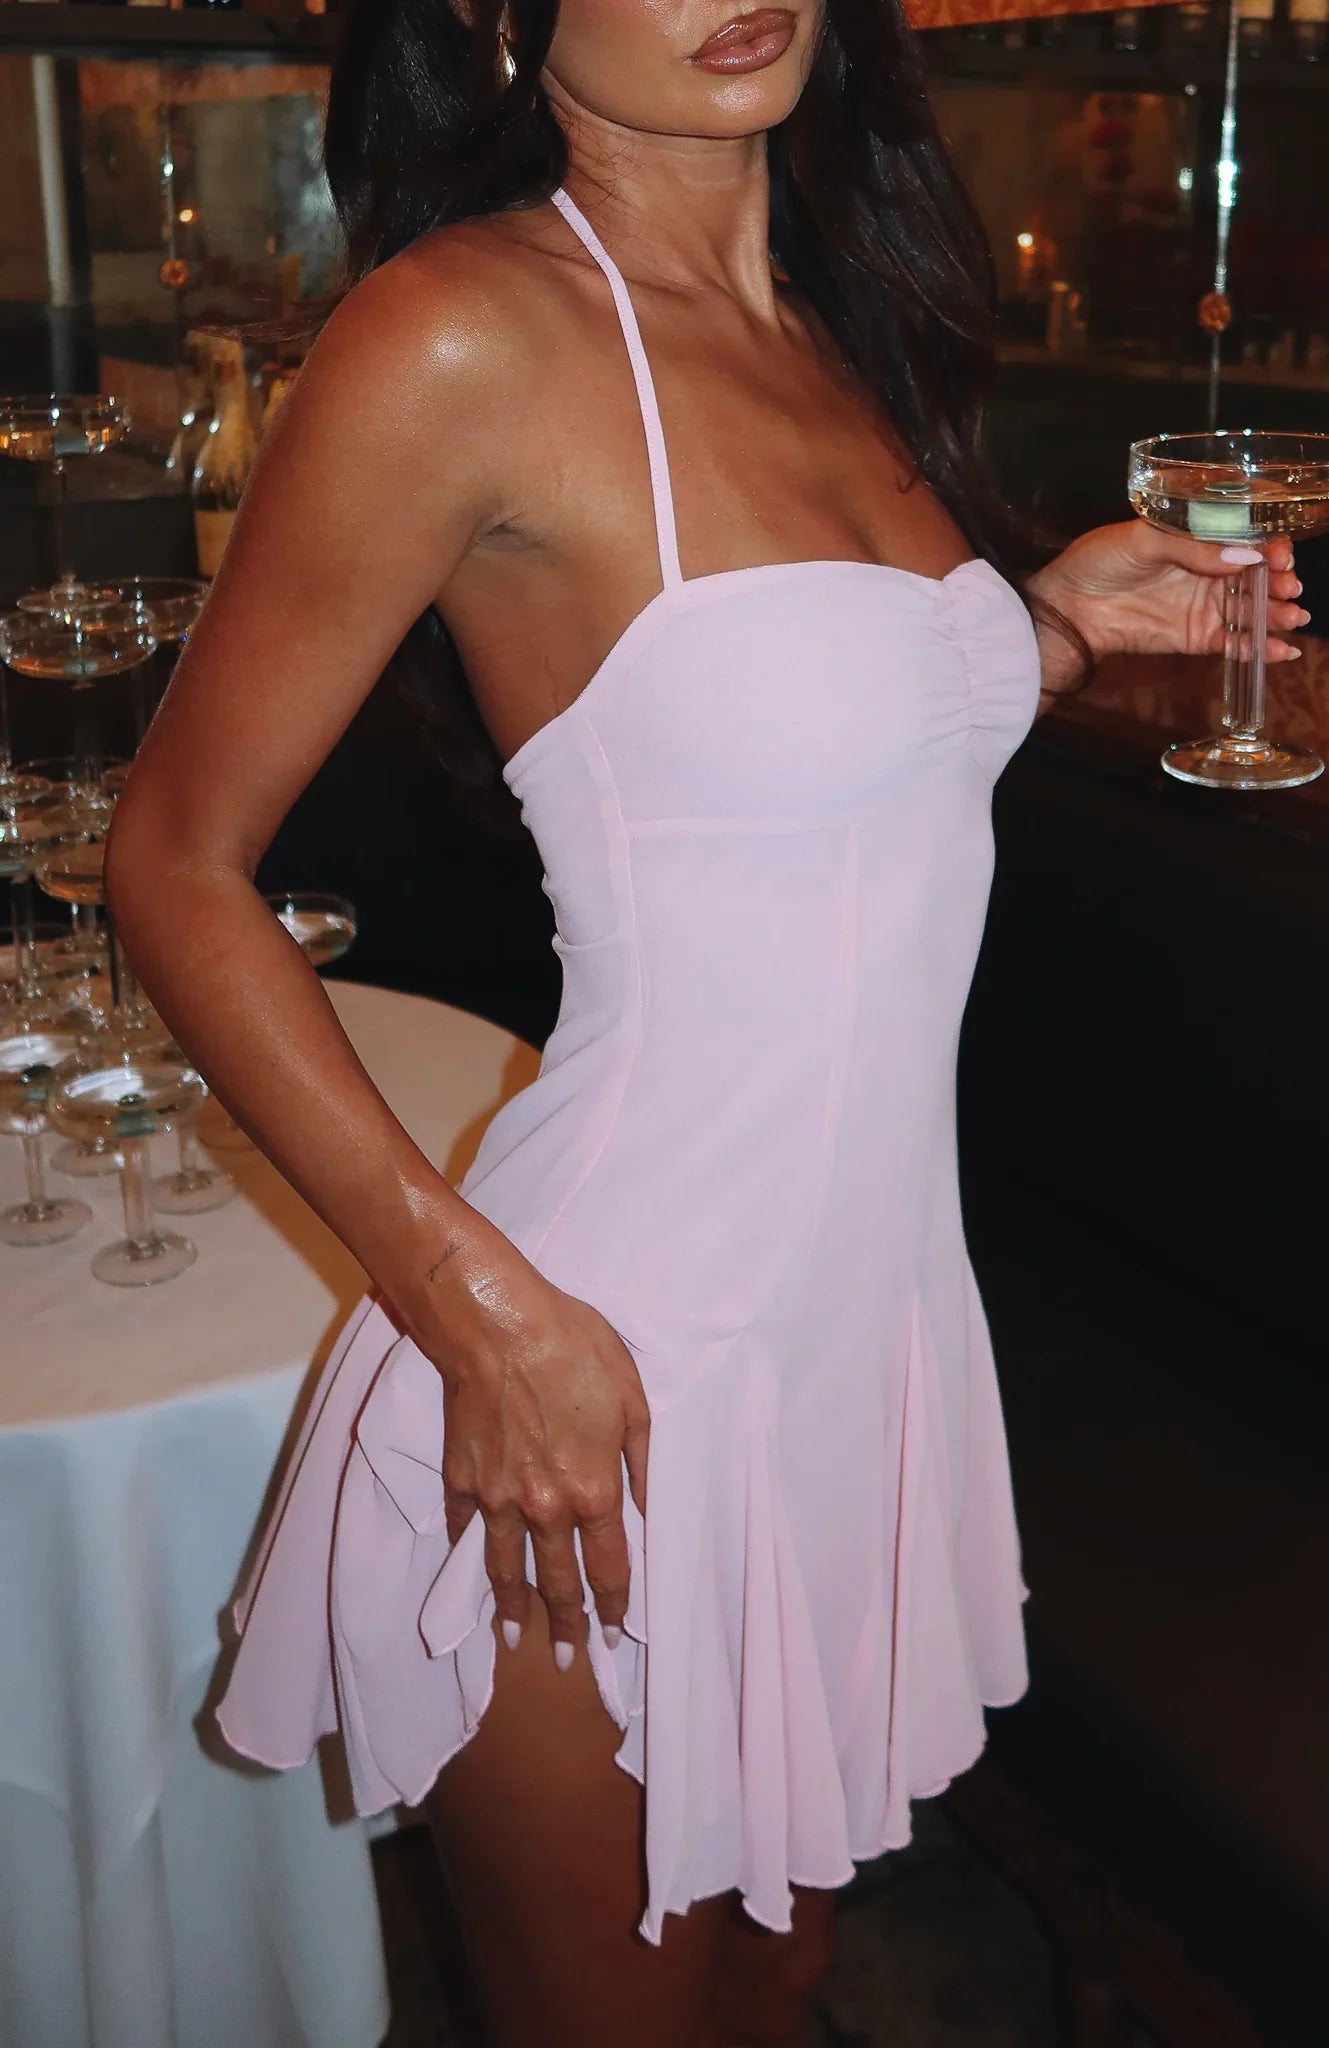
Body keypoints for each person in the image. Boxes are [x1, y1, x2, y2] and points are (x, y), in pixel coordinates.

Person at [104, 0, 1307, 2035]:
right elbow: (172, 861)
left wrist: (1047, 627)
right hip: (603, 1359)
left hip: (861, 1338)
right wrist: (482, 1316)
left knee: (781, 1967)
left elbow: (776, 742)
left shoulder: (827, 320)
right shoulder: (457, 334)